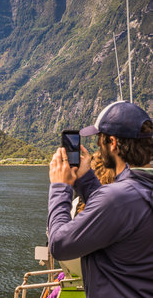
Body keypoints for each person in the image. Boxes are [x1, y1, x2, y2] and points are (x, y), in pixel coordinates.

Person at [47, 101, 153, 297]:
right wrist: (86, 180)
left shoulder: (118, 198)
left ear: (112, 143)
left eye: (100, 140)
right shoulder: (139, 189)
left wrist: (60, 187)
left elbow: (59, 245)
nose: (97, 146)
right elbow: (119, 212)